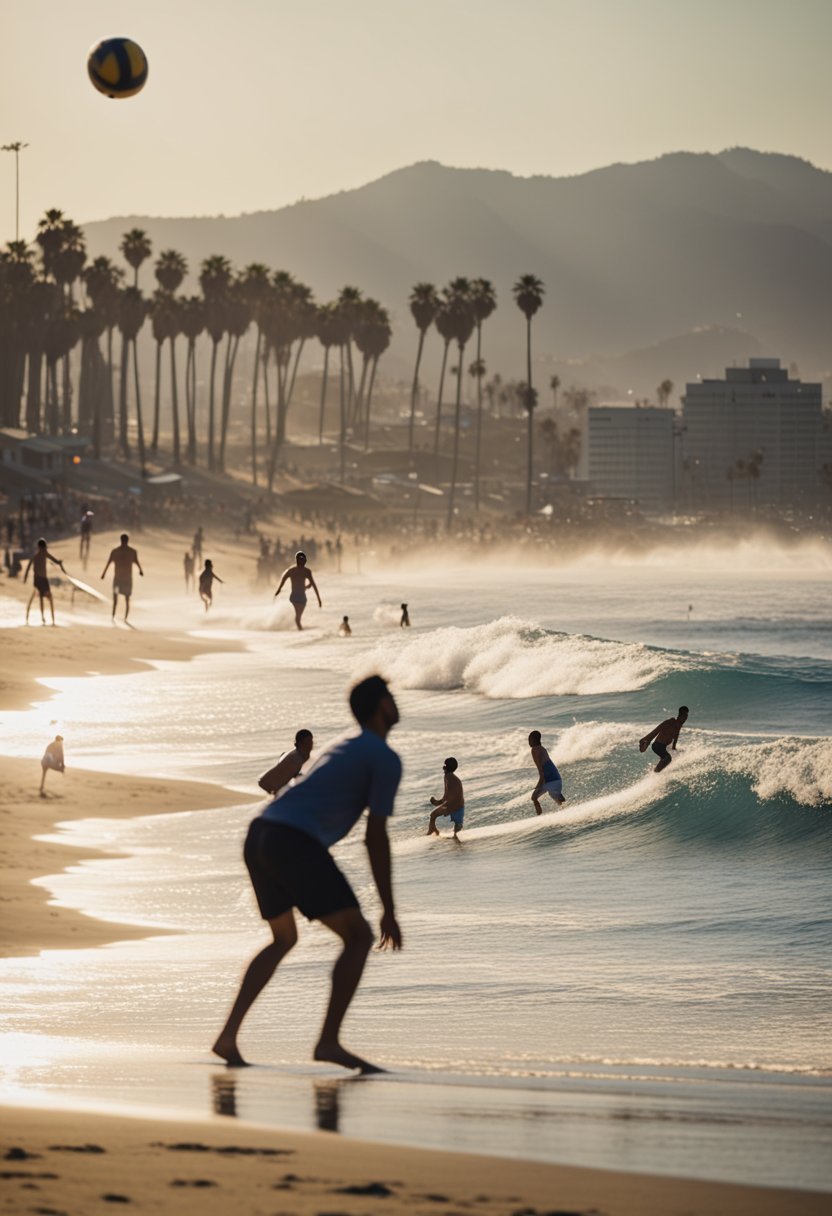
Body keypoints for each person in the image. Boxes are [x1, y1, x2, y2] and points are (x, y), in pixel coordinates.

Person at [212, 675, 402, 1073]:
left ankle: (228, 1036)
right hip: (292, 841)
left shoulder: (342, 745)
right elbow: (375, 836)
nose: (395, 702)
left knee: (283, 938)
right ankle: (328, 1043)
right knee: (359, 936)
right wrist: (388, 909)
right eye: (390, 696)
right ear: (380, 705)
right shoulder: (383, 757)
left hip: (259, 832)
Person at [274, 551, 322, 631]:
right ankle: (300, 633)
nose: (303, 561)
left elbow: (313, 585)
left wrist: (319, 599)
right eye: (301, 559)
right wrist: (278, 591)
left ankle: (299, 633)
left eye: (304, 559)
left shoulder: (306, 571)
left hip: (301, 598)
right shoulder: (291, 571)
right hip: (294, 598)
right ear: (297, 560)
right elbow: (283, 581)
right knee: (297, 619)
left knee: (297, 619)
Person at [101, 533, 143, 622]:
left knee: (122, 598)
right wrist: (140, 570)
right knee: (121, 598)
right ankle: (118, 616)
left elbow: (108, 563)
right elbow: (137, 562)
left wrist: (103, 574)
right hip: (124, 579)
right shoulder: (131, 552)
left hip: (120, 579)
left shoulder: (116, 551)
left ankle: (121, 617)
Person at [258, 729, 314, 796]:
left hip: (268, 785)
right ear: (300, 743)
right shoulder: (296, 758)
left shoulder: (297, 754)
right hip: (268, 785)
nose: (310, 745)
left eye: (311, 741)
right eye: (307, 742)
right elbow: (283, 781)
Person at [24, 538, 66, 625]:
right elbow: (28, 566)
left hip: (44, 579)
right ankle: (40, 617)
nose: (45, 549)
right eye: (43, 548)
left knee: (49, 597)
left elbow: (54, 560)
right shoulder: (35, 556)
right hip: (38, 580)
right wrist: (25, 576)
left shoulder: (44, 554)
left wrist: (59, 562)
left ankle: (52, 619)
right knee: (39, 598)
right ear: (40, 548)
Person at [640, 706, 689, 772]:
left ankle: (655, 771)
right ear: (680, 715)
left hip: (662, 747)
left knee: (665, 759)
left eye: (686, 717)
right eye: (685, 716)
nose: (686, 719)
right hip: (657, 745)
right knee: (667, 758)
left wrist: (674, 746)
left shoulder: (678, 725)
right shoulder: (671, 722)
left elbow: (676, 735)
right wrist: (647, 739)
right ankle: (655, 773)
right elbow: (657, 729)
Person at [528, 731, 566, 814]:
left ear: (534, 740)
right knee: (559, 801)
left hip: (551, 780)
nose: (529, 741)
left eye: (529, 739)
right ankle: (567, 810)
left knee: (534, 797)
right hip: (555, 778)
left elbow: (541, 771)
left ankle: (540, 817)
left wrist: (539, 783)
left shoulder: (535, 750)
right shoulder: (542, 748)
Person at [427, 757, 465, 837]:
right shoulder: (451, 777)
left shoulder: (448, 776)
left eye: (444, 765)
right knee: (457, 829)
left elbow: (447, 794)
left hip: (452, 805)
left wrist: (438, 802)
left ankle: (432, 830)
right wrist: (440, 802)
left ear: (446, 767)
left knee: (433, 815)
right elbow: (449, 794)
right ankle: (434, 830)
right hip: (460, 806)